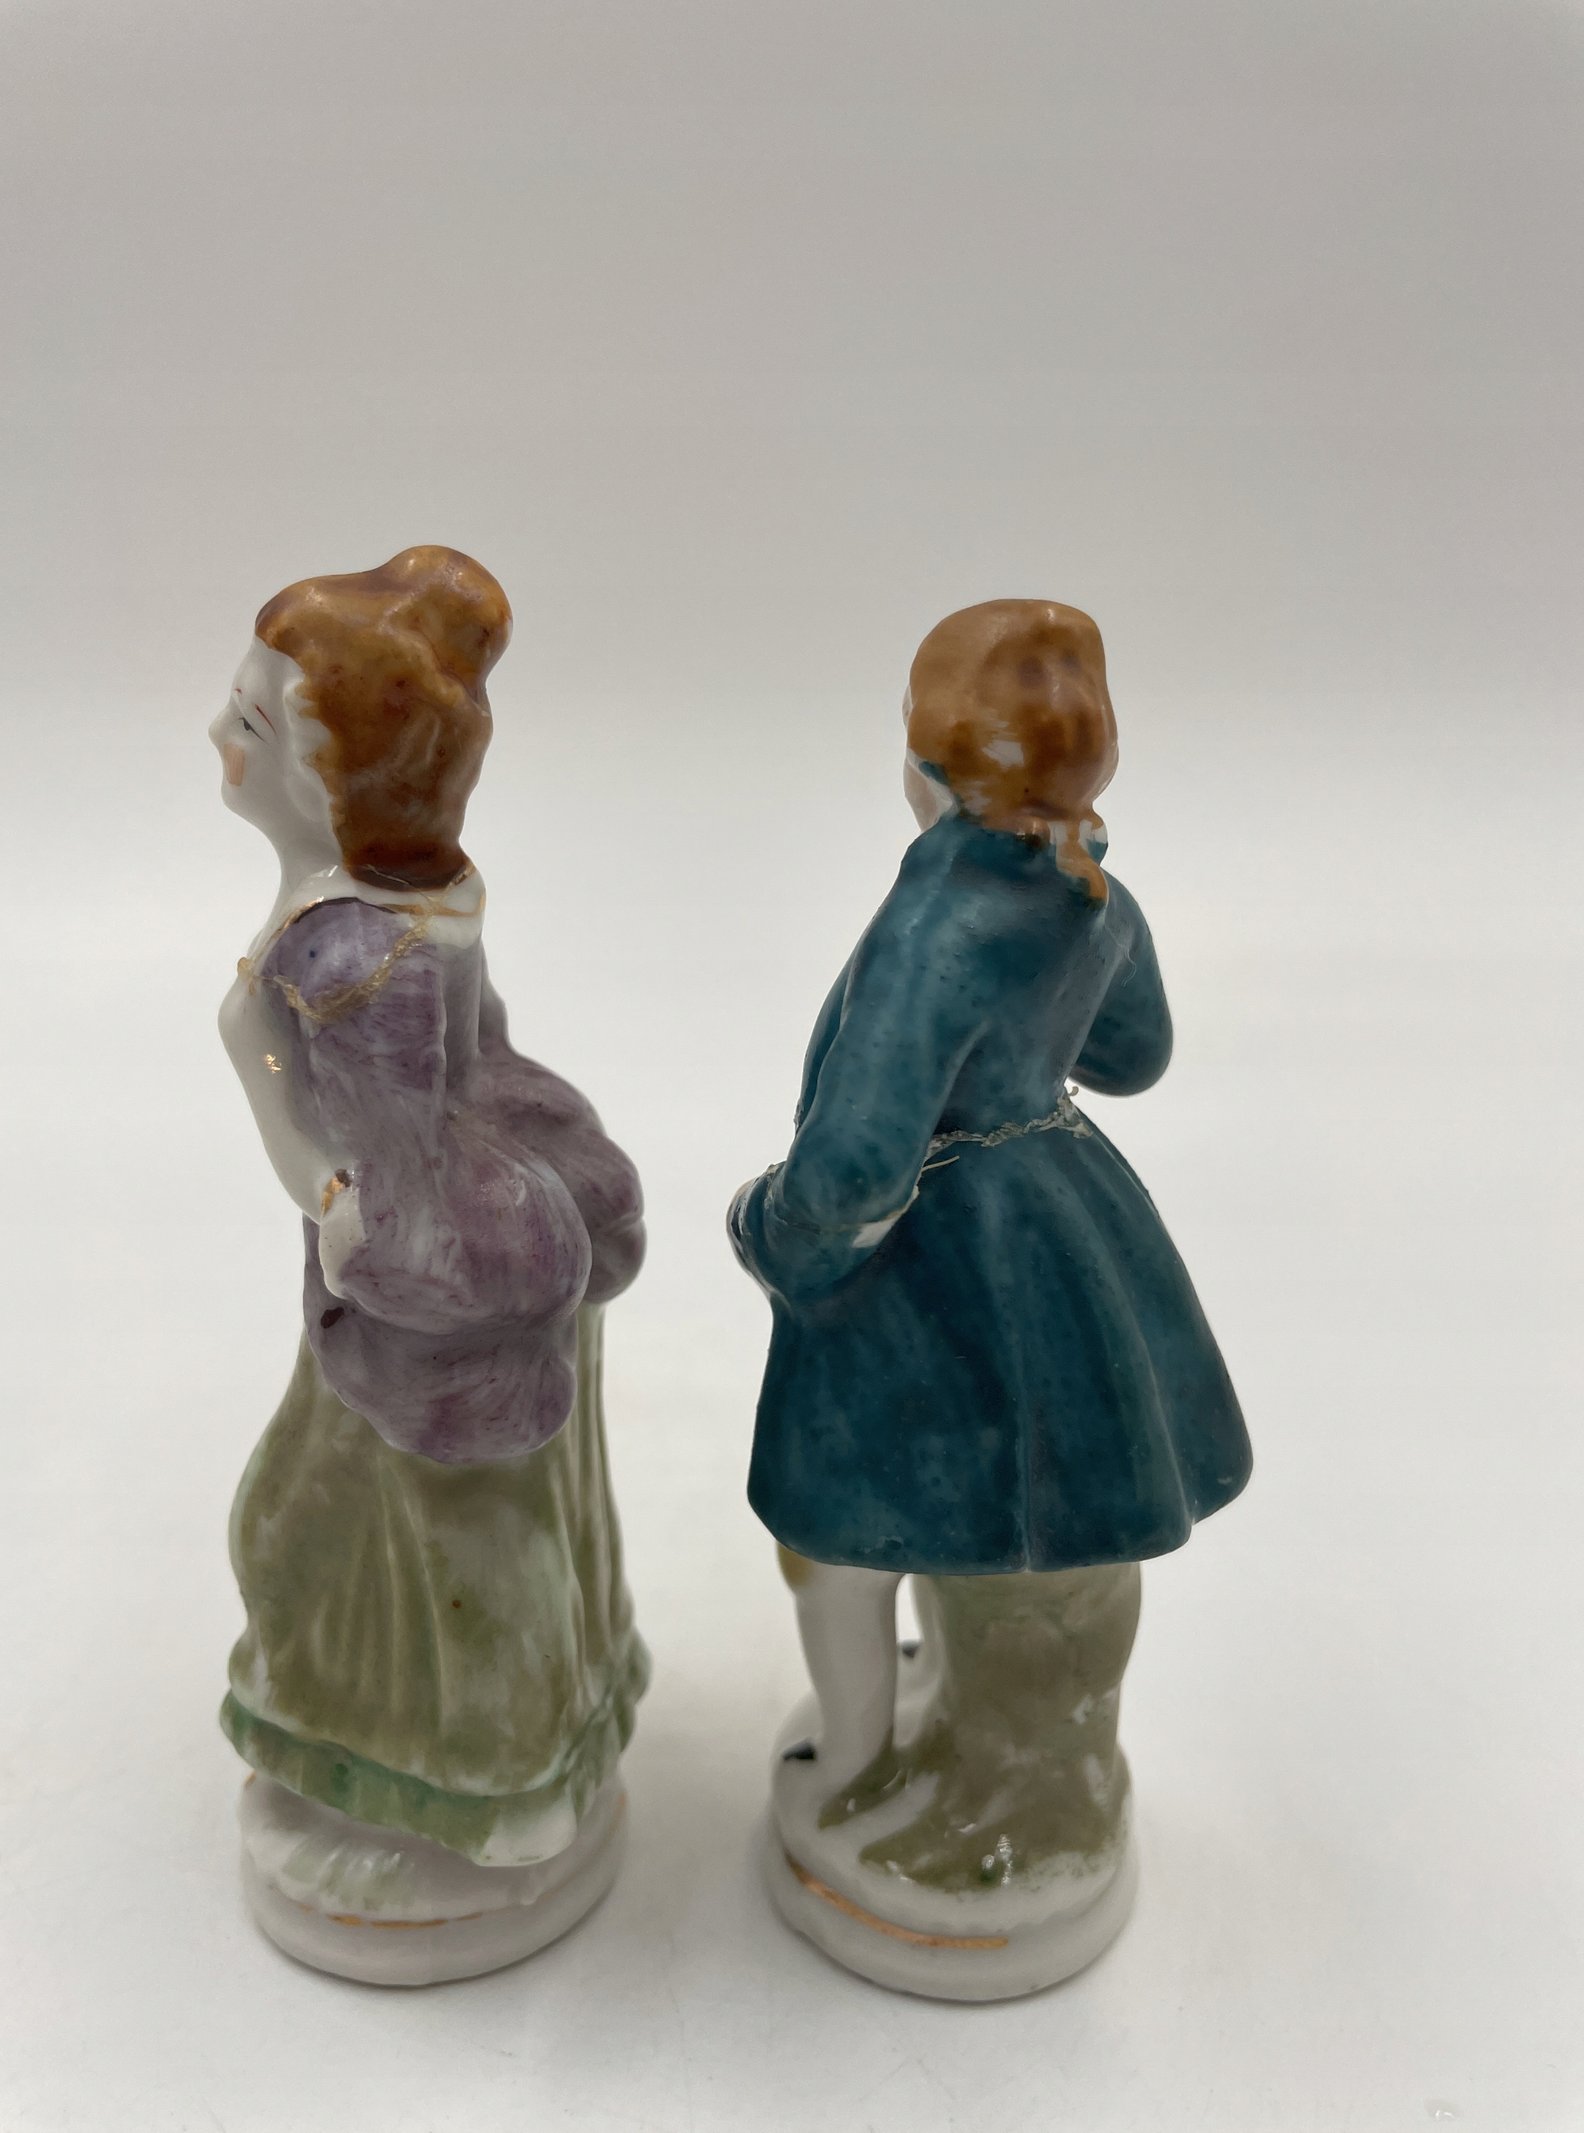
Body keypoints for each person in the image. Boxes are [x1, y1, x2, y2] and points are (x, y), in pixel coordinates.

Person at [731, 598, 1251, 1798]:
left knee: (836, 1539)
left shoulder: (935, 925)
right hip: (1061, 1214)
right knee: (1004, 1494)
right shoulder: (1095, 895)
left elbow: (857, 1166)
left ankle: (850, 1761)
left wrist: (767, 1229)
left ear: (927, 763)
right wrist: (1035, 1033)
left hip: (932, 1246)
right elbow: (1133, 1056)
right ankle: (953, 1711)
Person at [210, 548, 647, 1975]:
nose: (217, 736)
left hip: (426, 1289)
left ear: (332, 779)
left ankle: (480, 1799)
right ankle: (496, 1770)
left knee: (320, 1535)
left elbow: (367, 1157)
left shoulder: (346, 955)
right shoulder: (415, 902)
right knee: (378, 1533)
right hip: (480, 1233)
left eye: (251, 722)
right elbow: (474, 1060)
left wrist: (317, 1180)